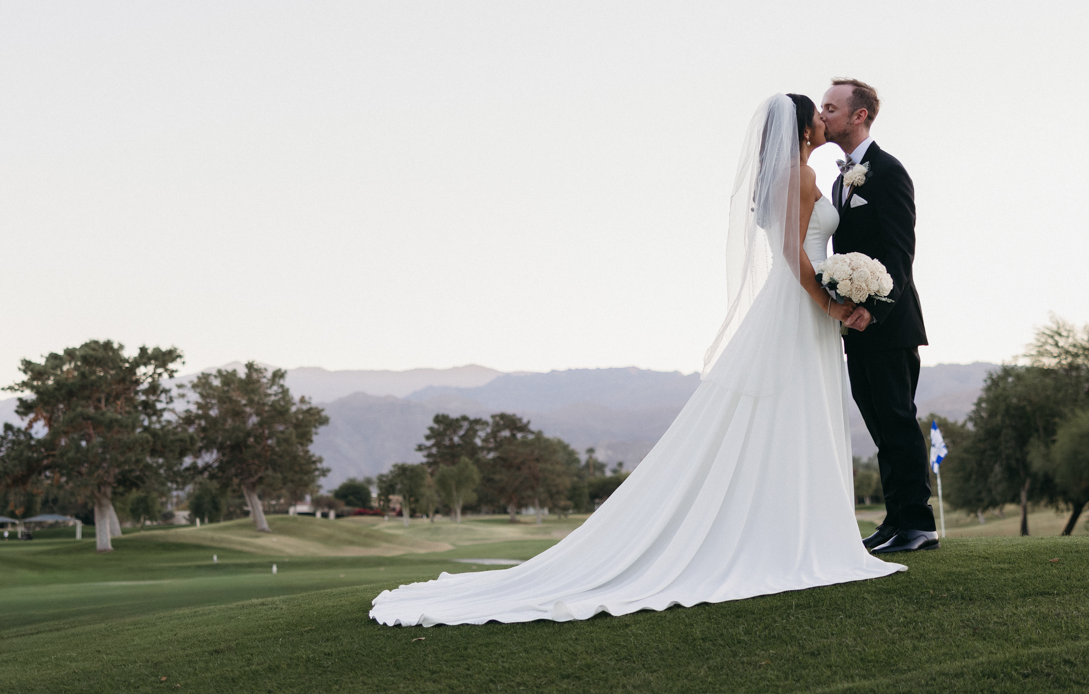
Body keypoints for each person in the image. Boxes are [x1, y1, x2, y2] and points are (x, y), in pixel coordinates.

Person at [369, 92, 903, 627]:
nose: (824, 118)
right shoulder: (800, 177)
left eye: (830, 110)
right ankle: (797, 537)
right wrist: (829, 302)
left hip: (795, 305)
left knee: (792, 416)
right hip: (800, 305)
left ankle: (797, 530)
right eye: (818, 112)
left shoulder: (790, 177)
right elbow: (793, 254)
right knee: (796, 413)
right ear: (803, 127)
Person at [820, 78, 936, 555]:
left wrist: (875, 309)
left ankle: (919, 525)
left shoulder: (888, 171)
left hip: (890, 322)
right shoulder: (839, 180)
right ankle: (895, 521)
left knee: (898, 420)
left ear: (859, 115)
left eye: (831, 108)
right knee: (879, 426)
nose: (822, 115)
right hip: (856, 324)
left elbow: (900, 251)